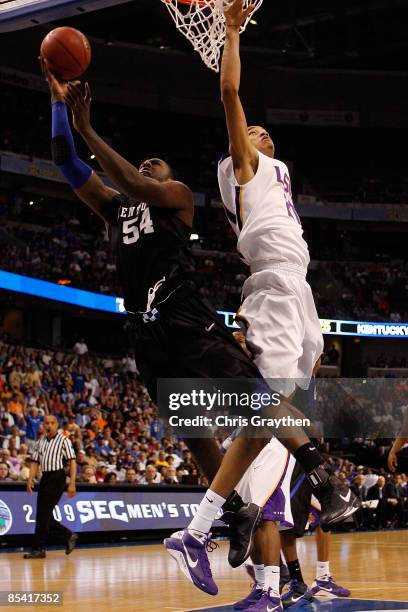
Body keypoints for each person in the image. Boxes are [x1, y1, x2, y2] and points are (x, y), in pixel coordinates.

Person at [41, 58, 357, 595]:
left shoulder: (178, 198)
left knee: (253, 397)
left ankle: (319, 473)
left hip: (184, 314)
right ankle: (236, 514)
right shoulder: (116, 210)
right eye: (147, 163)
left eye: (156, 163)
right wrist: (57, 103)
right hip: (145, 335)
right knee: (195, 434)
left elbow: (132, 180)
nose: (151, 162)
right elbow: (65, 162)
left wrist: (89, 127)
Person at [24, 414, 78, 559]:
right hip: (45, 477)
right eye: (46, 423)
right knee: (44, 515)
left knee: (43, 514)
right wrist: (30, 480)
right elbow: (35, 462)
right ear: (43, 425)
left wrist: (72, 483)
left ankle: (39, 548)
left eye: (52, 423)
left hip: (57, 477)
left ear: (56, 425)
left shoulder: (63, 440)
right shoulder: (40, 441)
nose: (48, 425)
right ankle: (68, 535)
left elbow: (72, 462)